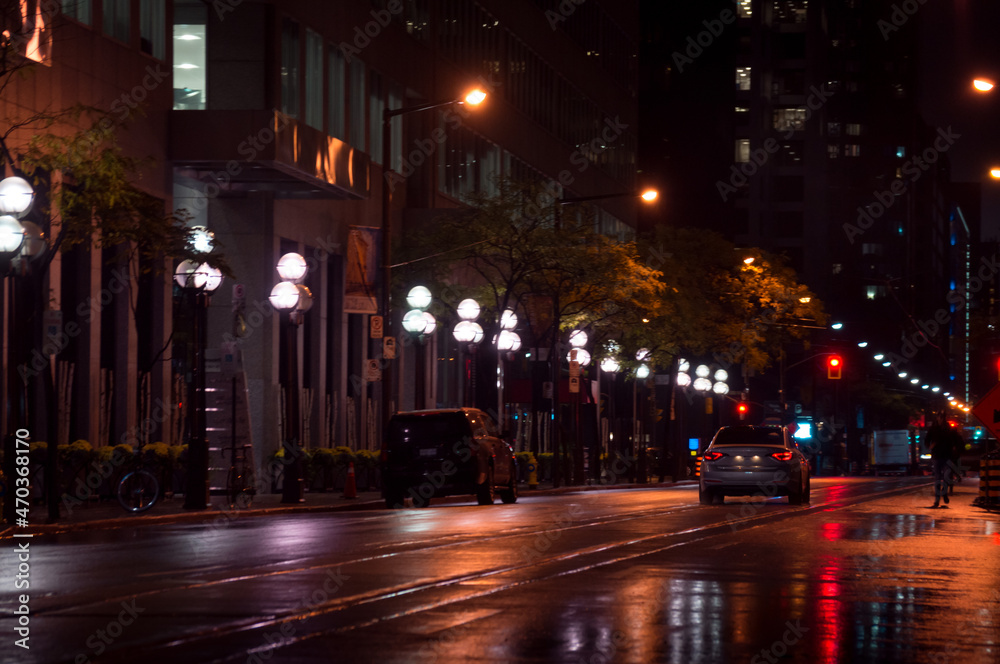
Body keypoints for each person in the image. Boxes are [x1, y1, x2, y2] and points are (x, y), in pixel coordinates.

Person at [926, 414, 954, 508]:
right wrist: (930, 446)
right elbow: (927, 439)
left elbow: (955, 440)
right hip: (937, 456)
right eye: (939, 417)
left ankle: (944, 492)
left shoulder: (949, 429)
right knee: (938, 478)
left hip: (947, 455)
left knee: (946, 477)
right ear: (937, 418)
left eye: (942, 418)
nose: (940, 419)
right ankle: (937, 501)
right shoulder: (933, 429)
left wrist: (954, 448)